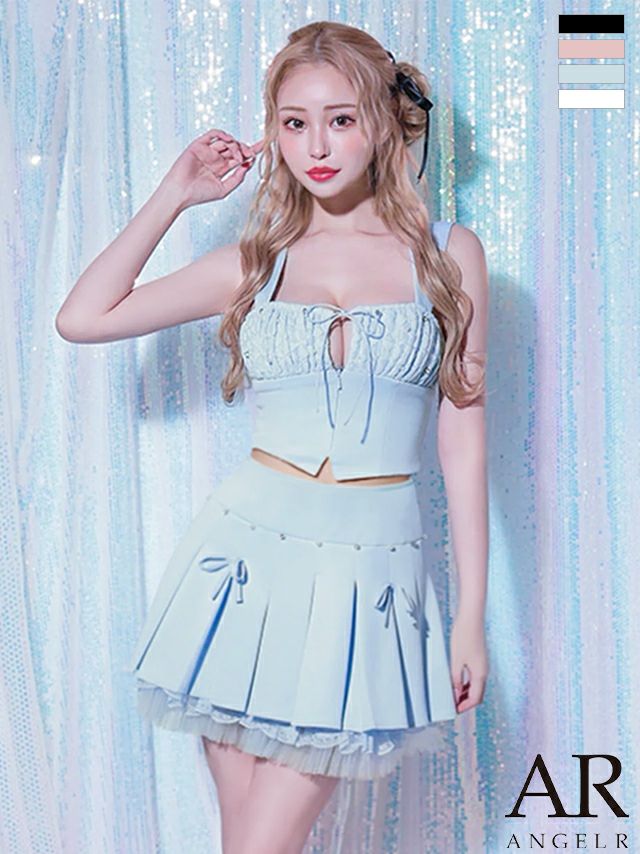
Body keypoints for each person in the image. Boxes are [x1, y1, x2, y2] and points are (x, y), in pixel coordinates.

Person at [55, 20, 489, 854]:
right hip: (241, 569)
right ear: (274, 132)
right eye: (295, 122)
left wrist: (469, 617)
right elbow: (83, 318)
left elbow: (463, 442)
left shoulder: (447, 256)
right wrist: (175, 194)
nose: (316, 146)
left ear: (384, 123)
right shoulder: (257, 261)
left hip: (367, 575)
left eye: (341, 119)